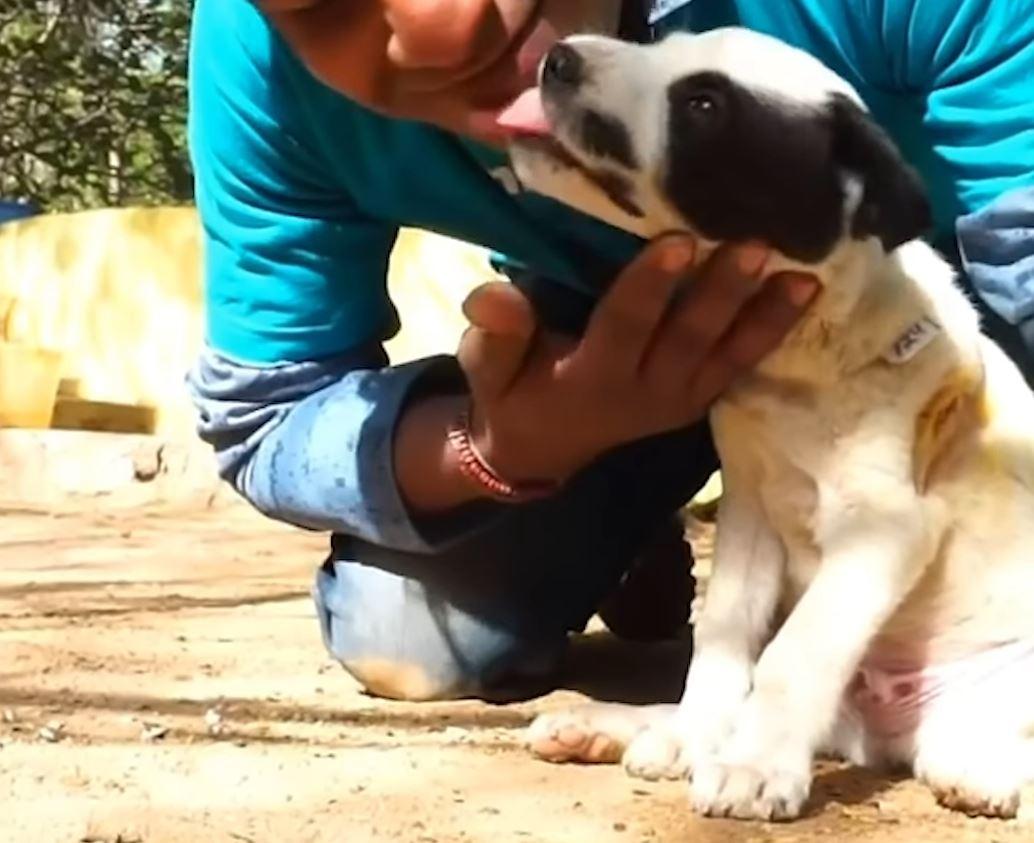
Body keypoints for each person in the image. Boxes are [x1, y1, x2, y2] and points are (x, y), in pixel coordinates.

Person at [186, 0, 1034, 702]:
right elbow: (265, 414)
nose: (446, 27)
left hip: (920, 330)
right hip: (600, 358)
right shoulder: (260, 67)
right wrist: (502, 446)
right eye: (326, 5)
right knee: (404, 627)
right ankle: (628, 527)